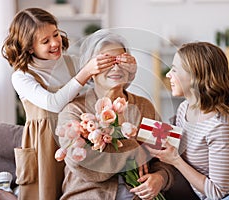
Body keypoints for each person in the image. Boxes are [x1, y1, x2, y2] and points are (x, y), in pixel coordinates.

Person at [0, 8, 134, 200]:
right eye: (45, 41)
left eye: (55, 34)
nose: (55, 43)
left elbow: (111, 87)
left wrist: (124, 67)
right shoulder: (22, 76)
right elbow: (54, 104)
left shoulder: (71, 63)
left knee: (74, 188)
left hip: (76, 137)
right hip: (44, 142)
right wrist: (85, 72)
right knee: (43, 193)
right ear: (29, 47)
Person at [146, 42, 229, 200]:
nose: (168, 75)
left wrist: (176, 161)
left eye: (174, 69)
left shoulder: (220, 125)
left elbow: (217, 192)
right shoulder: (184, 108)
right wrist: (133, 130)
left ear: (194, 76)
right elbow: (169, 139)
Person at [57, 29, 174, 200]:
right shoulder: (74, 110)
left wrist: (161, 178)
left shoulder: (144, 106)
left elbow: (164, 155)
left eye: (121, 60)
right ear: (90, 68)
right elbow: (82, 163)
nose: (116, 67)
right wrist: (134, 150)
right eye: (106, 61)